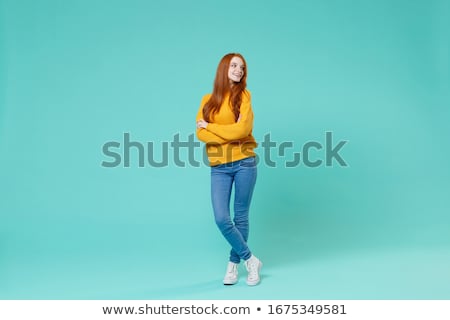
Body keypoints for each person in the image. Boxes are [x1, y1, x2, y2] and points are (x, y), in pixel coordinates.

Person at [195, 53, 262, 286]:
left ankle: (233, 265)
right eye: (234, 66)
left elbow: (242, 131)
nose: (238, 70)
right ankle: (251, 259)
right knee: (222, 218)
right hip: (219, 167)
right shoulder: (207, 100)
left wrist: (212, 127)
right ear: (224, 68)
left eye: (242, 68)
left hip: (244, 162)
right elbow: (200, 133)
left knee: (240, 217)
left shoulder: (244, 95)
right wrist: (228, 130)